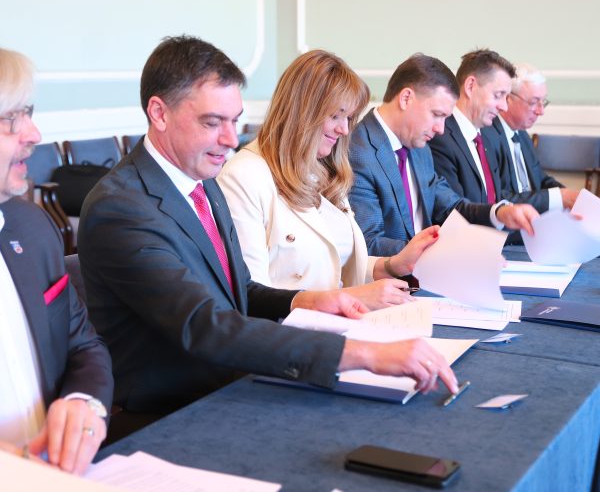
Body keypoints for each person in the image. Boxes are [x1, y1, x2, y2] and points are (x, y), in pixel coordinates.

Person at [78, 36, 459, 424]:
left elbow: (241, 291)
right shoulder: (121, 207)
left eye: (234, 121)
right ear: (159, 113)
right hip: (175, 414)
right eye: (212, 122)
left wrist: (308, 301)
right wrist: (364, 354)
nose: (230, 140)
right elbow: (204, 325)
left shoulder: (202, 182)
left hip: (233, 385)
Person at [218, 50, 439, 307]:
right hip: (287, 328)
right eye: (335, 116)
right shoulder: (243, 177)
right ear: (301, 112)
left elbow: (335, 265)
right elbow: (253, 295)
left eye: (349, 118)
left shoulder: (321, 170)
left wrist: (392, 265)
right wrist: (351, 297)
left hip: (338, 321)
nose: (344, 129)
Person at [0, 48, 113, 474]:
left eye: (28, 114)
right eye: (12, 119)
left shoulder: (33, 229)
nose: (34, 134)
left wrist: (83, 402)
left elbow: (83, 345)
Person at [348, 53, 538, 256]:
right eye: (437, 115)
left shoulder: (419, 147)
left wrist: (499, 213)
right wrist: (437, 252)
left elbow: (449, 206)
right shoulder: (358, 153)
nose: (440, 129)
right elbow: (368, 244)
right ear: (406, 98)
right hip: (398, 274)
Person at [486, 63, 579, 212]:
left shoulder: (522, 134)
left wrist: (572, 197)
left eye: (543, 102)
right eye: (534, 102)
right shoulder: (487, 137)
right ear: (508, 98)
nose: (541, 111)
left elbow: (540, 179)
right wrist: (558, 198)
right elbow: (497, 198)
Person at [428, 49, 514, 204]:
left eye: (506, 97)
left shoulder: (490, 135)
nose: (504, 107)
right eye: (498, 95)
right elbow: (454, 211)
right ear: (470, 86)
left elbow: (499, 196)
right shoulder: (440, 138)